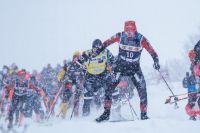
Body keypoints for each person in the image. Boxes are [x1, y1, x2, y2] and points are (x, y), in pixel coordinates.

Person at [96, 20, 160, 122]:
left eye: (131, 30)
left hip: (134, 68)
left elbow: (151, 50)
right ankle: (106, 113)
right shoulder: (120, 35)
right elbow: (108, 42)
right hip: (120, 67)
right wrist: (99, 49)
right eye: (127, 30)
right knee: (109, 87)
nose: (129, 33)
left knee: (142, 90)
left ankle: (144, 115)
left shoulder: (141, 39)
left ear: (135, 30)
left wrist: (156, 60)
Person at [76, 39, 115, 117]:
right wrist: (82, 67)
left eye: (98, 48)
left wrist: (110, 65)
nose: (96, 50)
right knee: (88, 97)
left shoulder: (106, 52)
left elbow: (113, 60)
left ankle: (114, 112)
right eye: (94, 48)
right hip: (91, 77)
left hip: (103, 75)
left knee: (111, 90)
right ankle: (85, 116)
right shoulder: (87, 53)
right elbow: (78, 62)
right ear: (92, 47)